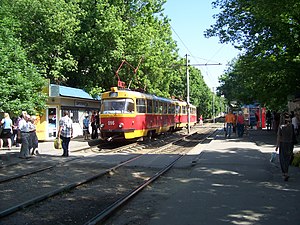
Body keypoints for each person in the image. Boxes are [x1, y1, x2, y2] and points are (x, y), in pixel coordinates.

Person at [276, 112, 295, 181]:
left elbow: (279, 137)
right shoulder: (291, 126)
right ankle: (286, 172)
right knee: (287, 158)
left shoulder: (281, 126)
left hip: (283, 143)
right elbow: (293, 136)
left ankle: (285, 173)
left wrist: (277, 146)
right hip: (290, 144)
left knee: (282, 158)